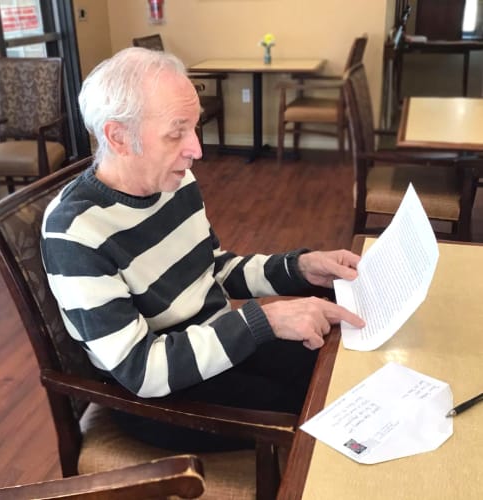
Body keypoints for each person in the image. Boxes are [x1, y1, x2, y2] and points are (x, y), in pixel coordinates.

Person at [41, 47, 364, 452]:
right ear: (118, 137)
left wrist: (299, 269)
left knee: (337, 366)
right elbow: (141, 371)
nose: (197, 149)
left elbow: (212, 268)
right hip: (162, 397)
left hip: (214, 343)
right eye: (177, 133)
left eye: (194, 128)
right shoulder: (75, 231)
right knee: (327, 411)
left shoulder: (174, 181)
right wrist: (261, 322)